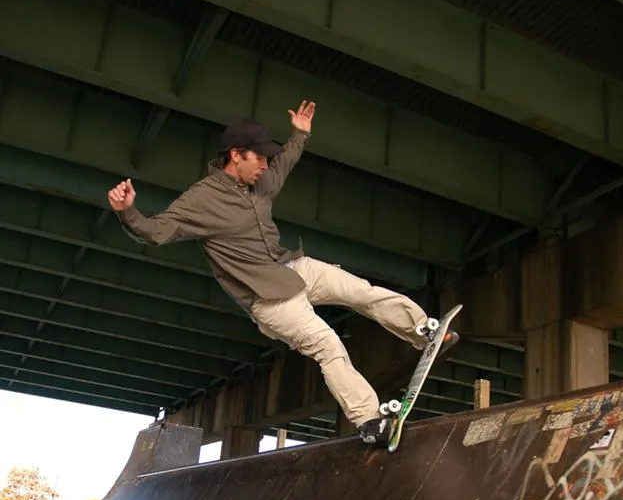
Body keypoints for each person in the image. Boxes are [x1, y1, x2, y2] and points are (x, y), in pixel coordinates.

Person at [107, 101, 445, 447]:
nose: (265, 167)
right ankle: (370, 421)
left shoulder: (261, 182)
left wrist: (299, 134)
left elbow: (284, 163)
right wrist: (128, 212)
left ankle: (422, 330)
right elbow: (156, 232)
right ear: (236, 155)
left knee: (360, 290)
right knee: (329, 346)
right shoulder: (201, 200)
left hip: (290, 268)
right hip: (269, 299)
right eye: (259, 159)